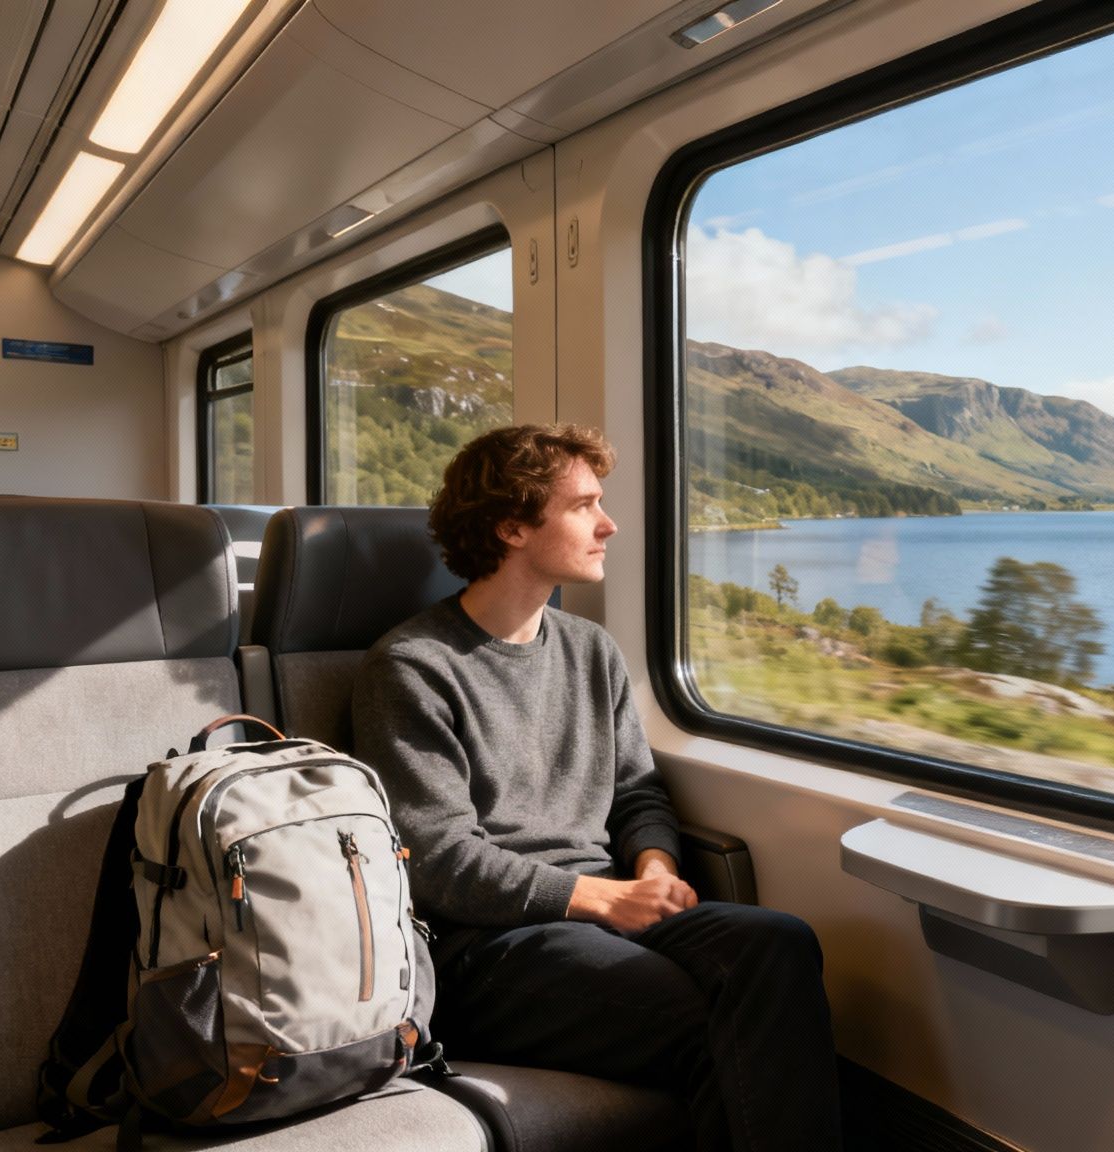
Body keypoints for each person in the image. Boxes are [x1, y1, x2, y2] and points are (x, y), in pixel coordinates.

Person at [352, 423, 842, 1151]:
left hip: (604, 904)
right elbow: (438, 860)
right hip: (491, 944)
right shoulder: (414, 666)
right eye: (584, 506)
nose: (608, 524)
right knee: (721, 1022)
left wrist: (654, 870)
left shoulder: (591, 650)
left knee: (779, 944)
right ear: (511, 525)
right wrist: (603, 899)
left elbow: (638, 791)